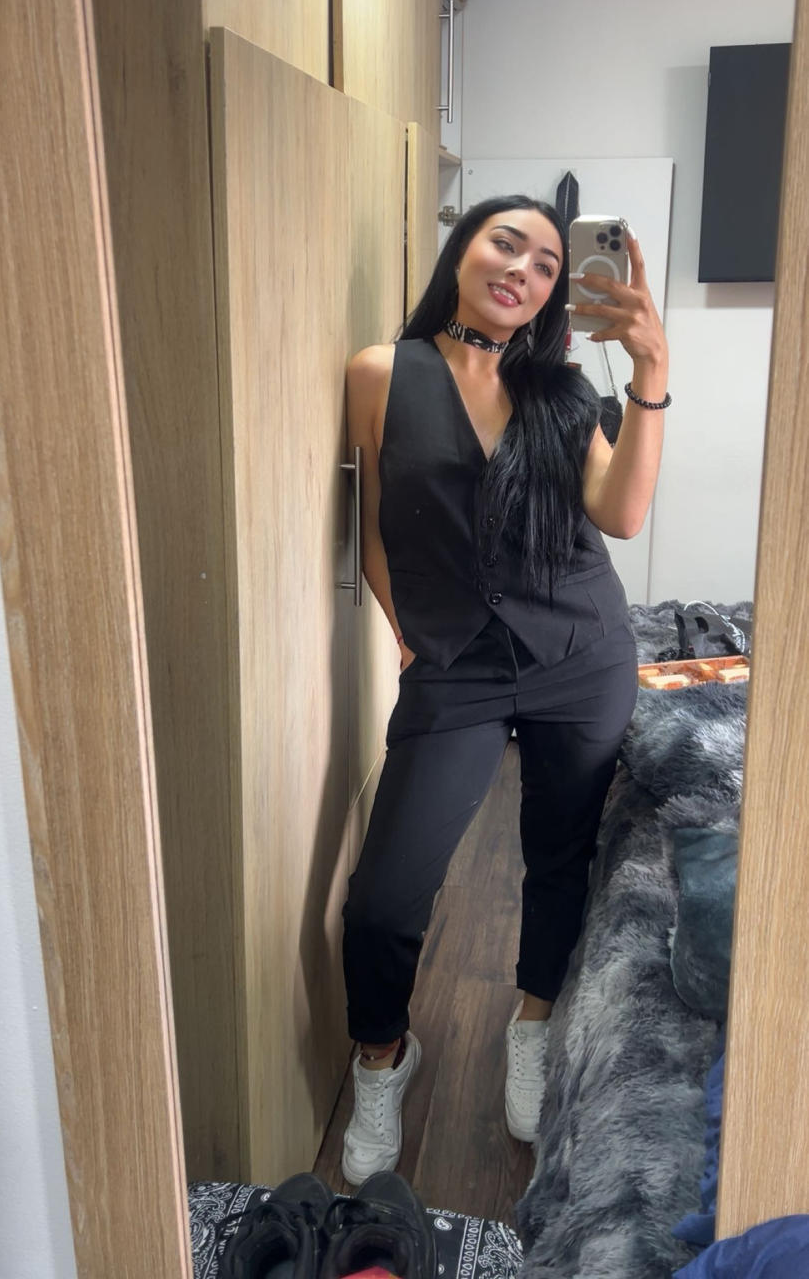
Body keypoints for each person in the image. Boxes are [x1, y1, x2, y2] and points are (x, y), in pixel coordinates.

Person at [340, 195, 669, 1186]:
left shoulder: (563, 392)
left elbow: (621, 514)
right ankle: (382, 1058)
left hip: (582, 653)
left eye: (546, 263)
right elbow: (377, 527)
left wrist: (651, 372)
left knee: (558, 861)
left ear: (553, 293)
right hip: (457, 669)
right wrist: (407, 635)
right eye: (505, 243)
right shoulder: (382, 373)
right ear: (463, 252)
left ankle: (533, 1024)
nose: (522, 268)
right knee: (384, 899)